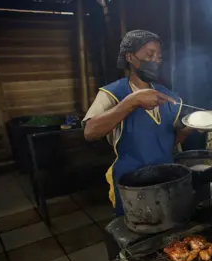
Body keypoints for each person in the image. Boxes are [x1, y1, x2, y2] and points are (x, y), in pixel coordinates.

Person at [82, 30, 194, 216]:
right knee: (137, 233)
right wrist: (131, 102)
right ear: (130, 57)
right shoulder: (113, 93)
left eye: (159, 56)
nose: (156, 60)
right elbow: (90, 132)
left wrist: (192, 127)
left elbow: (167, 142)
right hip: (131, 184)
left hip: (167, 178)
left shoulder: (166, 95)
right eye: (150, 54)